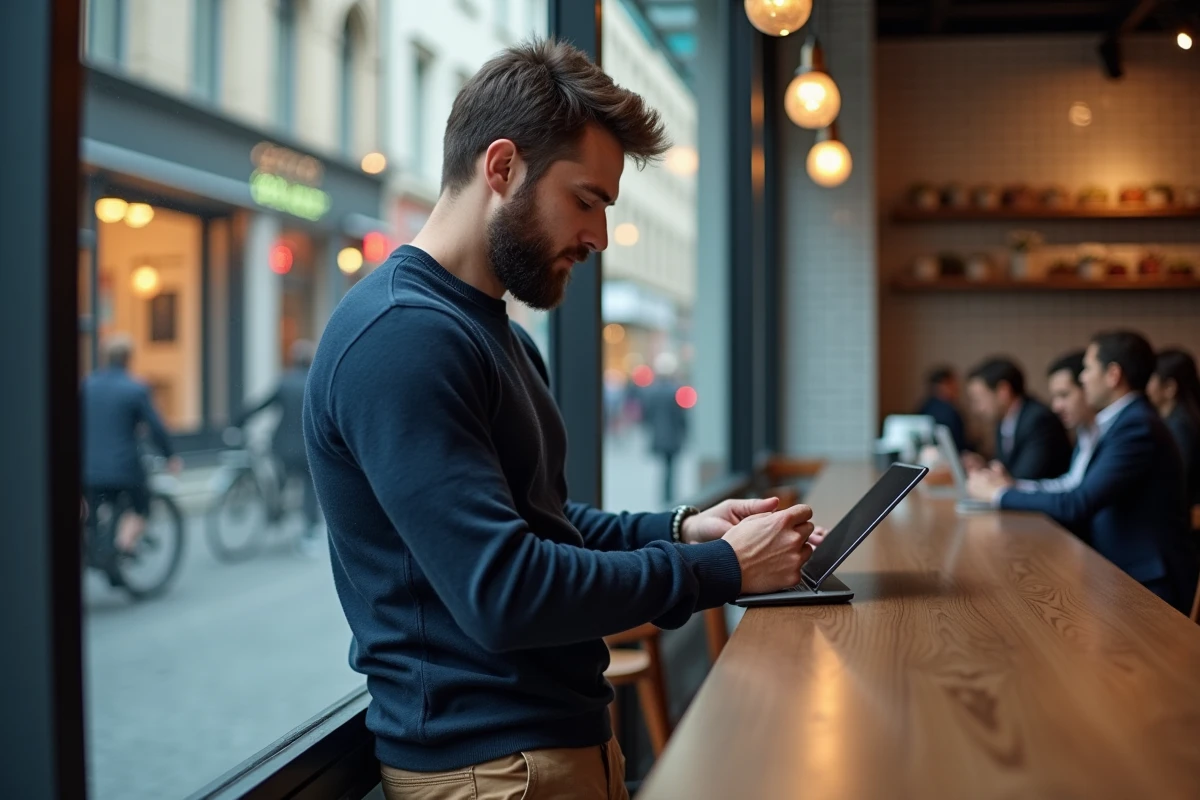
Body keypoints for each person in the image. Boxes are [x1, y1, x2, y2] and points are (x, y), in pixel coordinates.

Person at [303, 40, 821, 799]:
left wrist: (684, 530)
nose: (600, 239)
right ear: (503, 167)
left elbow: (540, 522)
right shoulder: (402, 338)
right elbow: (505, 591)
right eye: (587, 201)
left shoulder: (494, 334)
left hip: (538, 755)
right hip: (492, 771)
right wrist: (726, 569)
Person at [968, 331, 1197, 613]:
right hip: (1119, 568)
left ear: (1113, 375)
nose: (1084, 377)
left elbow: (1078, 502)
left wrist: (1001, 494)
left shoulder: (1135, 426)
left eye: (1088, 368)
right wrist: (1009, 489)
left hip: (1147, 581)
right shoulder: (1120, 422)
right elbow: (1075, 489)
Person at [81, 334, 181, 556]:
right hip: (123, 468)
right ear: (129, 358)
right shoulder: (135, 389)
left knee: (90, 510)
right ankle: (123, 545)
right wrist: (170, 456)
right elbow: (156, 427)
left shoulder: (87, 385)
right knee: (142, 504)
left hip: (86, 467)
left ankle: (91, 546)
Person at [236, 339, 320, 550]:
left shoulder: (284, 382)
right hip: (307, 448)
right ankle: (309, 532)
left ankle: (276, 511)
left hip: (282, 446)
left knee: (281, 477)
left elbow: (262, 404)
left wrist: (238, 421)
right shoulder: (315, 382)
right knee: (309, 485)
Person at [984, 350, 1097, 495]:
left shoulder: (1038, 418)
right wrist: (1012, 486)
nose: (1056, 407)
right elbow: (1068, 484)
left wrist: (1005, 493)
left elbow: (1076, 499)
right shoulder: (1085, 432)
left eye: (1064, 395)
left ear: (1088, 389)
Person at [963, 357, 1072, 480]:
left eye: (978, 399)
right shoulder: (1003, 421)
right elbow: (1007, 469)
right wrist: (984, 467)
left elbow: (1024, 479)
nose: (977, 409)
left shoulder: (1038, 420)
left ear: (1003, 391)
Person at [1146, 348, 1200, 514]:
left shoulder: (1180, 425)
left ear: (1169, 387)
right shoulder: (1177, 419)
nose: (1145, 385)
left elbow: (1175, 481)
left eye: (1150, 378)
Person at [642, 354, 688, 503]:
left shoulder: (652, 392)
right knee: (671, 467)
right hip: (673, 435)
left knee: (664, 467)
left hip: (659, 435)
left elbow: (647, 414)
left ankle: (664, 494)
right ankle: (669, 494)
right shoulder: (675, 391)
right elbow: (681, 417)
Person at [917, 365, 966, 453]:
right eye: (952, 384)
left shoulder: (924, 406)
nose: (956, 388)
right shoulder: (948, 411)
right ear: (942, 386)